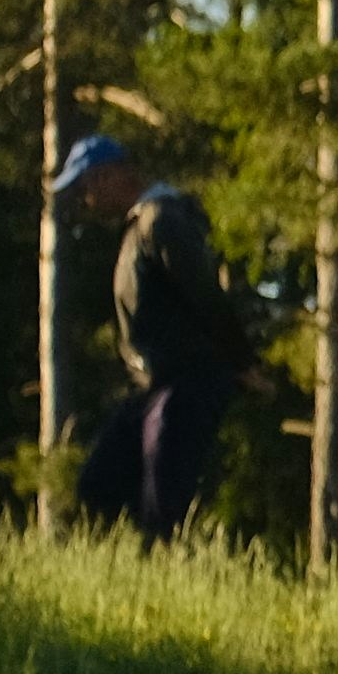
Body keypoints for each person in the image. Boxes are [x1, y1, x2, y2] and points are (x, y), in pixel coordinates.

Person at [52, 136, 246, 545]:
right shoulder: (142, 224)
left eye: (87, 186)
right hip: (155, 387)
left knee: (163, 509)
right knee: (97, 486)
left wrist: (243, 362)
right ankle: (134, 573)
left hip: (184, 385)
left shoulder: (162, 221)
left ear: (111, 176)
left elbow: (206, 295)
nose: (85, 199)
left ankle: (169, 582)